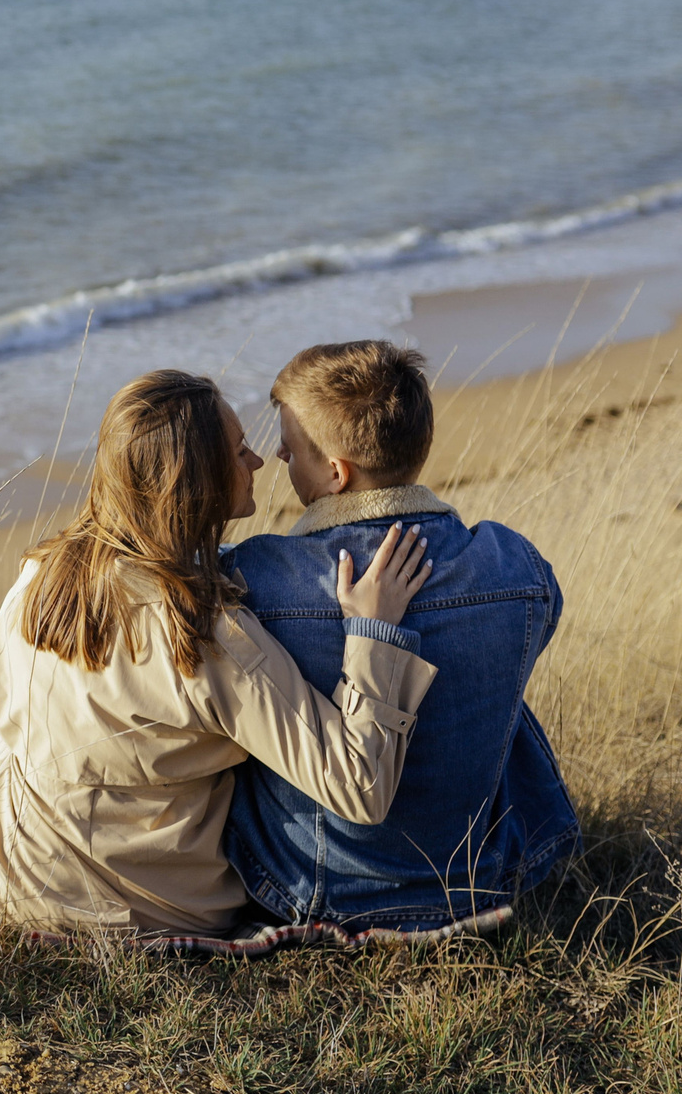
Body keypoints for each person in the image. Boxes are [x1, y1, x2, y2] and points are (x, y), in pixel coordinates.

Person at [0, 369, 438, 936]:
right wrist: (374, 632)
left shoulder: (41, 575)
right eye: (239, 451)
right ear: (197, 481)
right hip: (127, 908)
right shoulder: (208, 634)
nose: (258, 461)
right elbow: (358, 788)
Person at [223, 340, 580, 933]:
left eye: (291, 447)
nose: (278, 453)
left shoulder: (258, 576)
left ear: (336, 473)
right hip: (475, 877)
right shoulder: (512, 563)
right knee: (493, 680)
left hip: (316, 887)